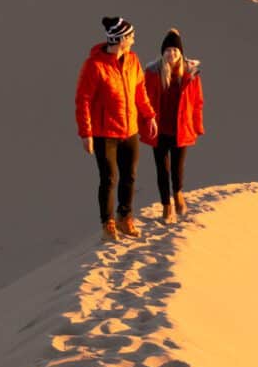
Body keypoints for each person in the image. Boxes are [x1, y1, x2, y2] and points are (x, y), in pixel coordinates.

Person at [75, 16, 157, 242]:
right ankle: (107, 223)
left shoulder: (132, 60)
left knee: (129, 176)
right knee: (109, 178)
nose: (133, 39)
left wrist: (149, 115)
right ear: (119, 39)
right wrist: (86, 133)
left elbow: (140, 90)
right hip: (105, 134)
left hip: (129, 130)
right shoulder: (94, 66)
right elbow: (83, 100)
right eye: (130, 36)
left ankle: (125, 217)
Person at [140, 28, 204, 223]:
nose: (171, 54)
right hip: (158, 129)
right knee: (162, 169)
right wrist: (143, 121)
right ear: (162, 52)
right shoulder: (152, 73)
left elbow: (198, 102)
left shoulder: (190, 74)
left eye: (175, 50)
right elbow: (142, 99)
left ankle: (178, 195)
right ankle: (166, 206)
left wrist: (197, 126)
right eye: (168, 50)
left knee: (177, 167)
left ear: (181, 53)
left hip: (181, 128)